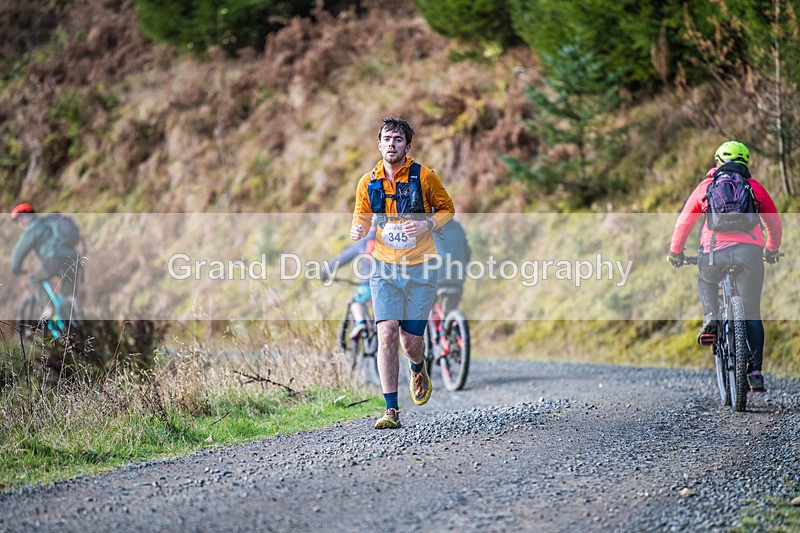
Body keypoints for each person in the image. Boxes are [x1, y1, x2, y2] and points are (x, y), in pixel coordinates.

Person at [351, 117, 454, 429]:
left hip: (421, 267)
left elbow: (448, 209)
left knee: (410, 342)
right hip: (383, 267)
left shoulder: (425, 177)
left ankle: (418, 367)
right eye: (387, 138)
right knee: (386, 332)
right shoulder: (368, 181)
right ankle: (391, 409)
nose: (392, 144)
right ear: (379, 144)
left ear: (407, 146)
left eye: (398, 139)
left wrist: (427, 223)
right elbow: (363, 215)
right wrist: (359, 227)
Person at [668, 141, 782, 392]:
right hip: (750, 254)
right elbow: (774, 223)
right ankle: (754, 372)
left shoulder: (706, 187)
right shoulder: (753, 188)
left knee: (706, 280)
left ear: (717, 162)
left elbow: (684, 223)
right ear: (745, 162)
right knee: (751, 311)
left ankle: (711, 316)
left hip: (713, 254)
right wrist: (771, 249)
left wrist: (676, 253)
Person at [11, 203, 81, 319]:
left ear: (25, 218)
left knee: (33, 280)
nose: (20, 224)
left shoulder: (32, 228)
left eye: (19, 220)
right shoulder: (48, 222)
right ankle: (73, 319)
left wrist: (16, 268)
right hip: (74, 258)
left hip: (54, 259)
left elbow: (18, 253)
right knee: (67, 297)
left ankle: (48, 308)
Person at [322, 221, 377, 340]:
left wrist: (325, 271)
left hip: (367, 284)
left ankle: (360, 323)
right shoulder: (388, 241)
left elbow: (341, 259)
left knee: (356, 302)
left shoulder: (363, 243)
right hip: (389, 283)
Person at [433, 217, 471, 314]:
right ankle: (452, 323)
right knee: (449, 311)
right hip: (457, 278)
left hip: (437, 279)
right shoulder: (457, 227)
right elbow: (467, 252)